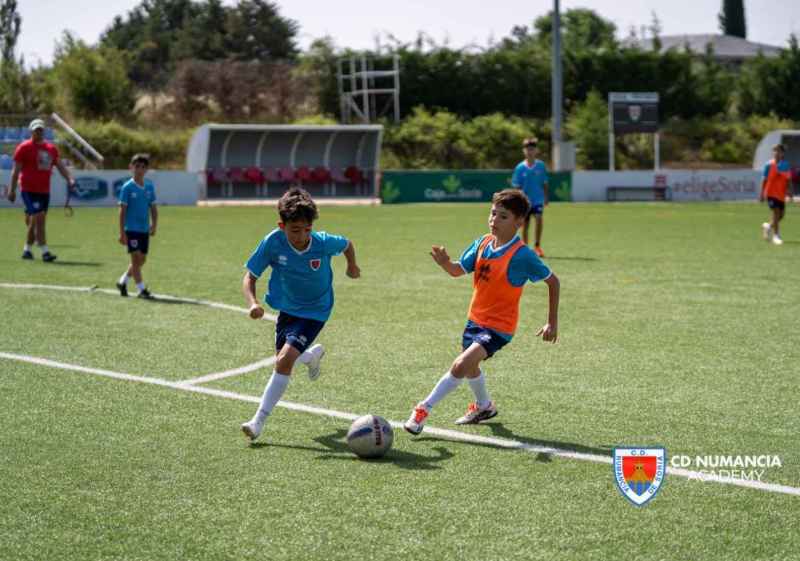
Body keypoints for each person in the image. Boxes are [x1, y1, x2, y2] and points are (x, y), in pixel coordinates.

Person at [404, 189, 560, 435]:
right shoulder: (482, 243)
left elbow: (553, 281)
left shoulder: (523, 256)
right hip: (474, 320)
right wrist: (445, 263)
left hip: (500, 327)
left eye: (503, 216)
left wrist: (552, 323)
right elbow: (457, 270)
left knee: (460, 365)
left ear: (519, 223)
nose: (493, 220)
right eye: (493, 213)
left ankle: (423, 409)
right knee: (471, 368)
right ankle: (484, 406)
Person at [241, 187, 361, 442]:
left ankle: (258, 421)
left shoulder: (322, 242)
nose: (302, 236)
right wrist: (252, 303)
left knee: (284, 360)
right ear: (282, 225)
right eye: (295, 230)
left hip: (317, 310)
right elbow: (250, 276)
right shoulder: (273, 242)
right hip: (287, 308)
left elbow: (348, 244)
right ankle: (310, 356)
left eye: (307, 229)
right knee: (284, 361)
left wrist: (352, 265)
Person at [6, 118, 76, 262]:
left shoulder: (51, 149)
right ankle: (45, 252)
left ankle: (27, 250)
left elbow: (60, 166)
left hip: (44, 191)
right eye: (36, 129)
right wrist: (12, 190)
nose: (39, 132)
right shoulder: (23, 148)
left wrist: (69, 178)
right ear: (31, 131)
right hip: (28, 189)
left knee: (34, 220)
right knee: (39, 218)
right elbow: (15, 170)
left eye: (41, 129)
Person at [116, 154, 158, 299]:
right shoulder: (127, 187)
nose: (139, 169)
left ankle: (123, 281)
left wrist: (154, 225)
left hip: (144, 229)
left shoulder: (150, 187)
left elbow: (153, 207)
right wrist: (122, 233)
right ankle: (141, 289)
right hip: (131, 229)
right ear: (131, 167)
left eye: (143, 167)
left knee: (142, 260)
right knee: (135, 259)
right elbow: (122, 211)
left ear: (146, 169)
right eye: (137, 166)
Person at [511, 137, 549, 257]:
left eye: (532, 149)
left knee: (538, 219)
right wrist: (518, 200)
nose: (530, 151)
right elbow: (516, 186)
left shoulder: (541, 166)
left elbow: (545, 183)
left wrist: (546, 197)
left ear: (536, 150)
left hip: (537, 200)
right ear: (524, 151)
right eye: (527, 149)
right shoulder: (520, 168)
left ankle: (537, 246)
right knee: (525, 225)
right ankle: (525, 248)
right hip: (525, 201)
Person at [760, 144, 793, 245]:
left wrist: (790, 191)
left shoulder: (785, 165)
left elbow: (788, 179)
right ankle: (776, 236)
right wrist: (761, 193)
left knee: (781, 215)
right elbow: (764, 179)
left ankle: (768, 226)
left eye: (778, 151)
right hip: (770, 193)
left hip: (781, 194)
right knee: (776, 213)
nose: (776, 153)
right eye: (774, 151)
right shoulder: (768, 165)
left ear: (782, 153)